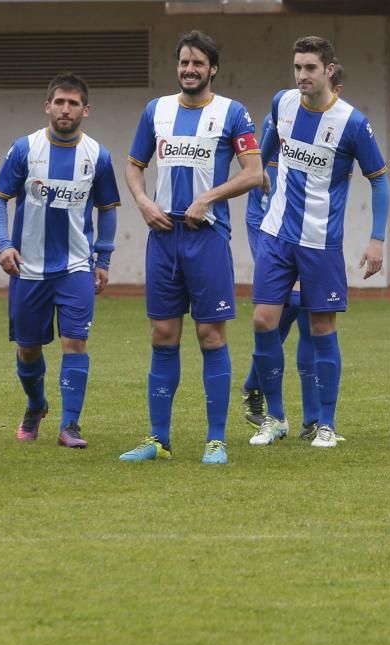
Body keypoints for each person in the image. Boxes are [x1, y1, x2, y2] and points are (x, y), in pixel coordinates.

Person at [120, 30, 263, 465]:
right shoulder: (156, 111)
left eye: (198, 63)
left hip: (207, 238)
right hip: (163, 238)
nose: (189, 69)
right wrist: (144, 202)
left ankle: (215, 440)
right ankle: (158, 439)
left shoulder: (233, 114)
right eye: (183, 62)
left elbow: (254, 173)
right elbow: (133, 166)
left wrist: (208, 198)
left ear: (212, 69)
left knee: (209, 334)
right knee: (162, 335)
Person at [249, 37, 390, 449]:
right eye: (297, 67)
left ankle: (326, 424)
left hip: (320, 241)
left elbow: (379, 180)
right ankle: (274, 418)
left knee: (322, 326)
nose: (301, 76)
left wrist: (377, 239)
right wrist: (259, 178)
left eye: (310, 68)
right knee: (263, 321)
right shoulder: (282, 104)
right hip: (276, 235)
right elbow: (265, 154)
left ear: (329, 70)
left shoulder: (352, 122)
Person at [0, 73, 121, 449]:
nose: (66, 109)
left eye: (73, 103)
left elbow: (108, 209)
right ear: (47, 105)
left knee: (75, 342)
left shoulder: (98, 156)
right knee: (28, 348)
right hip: (28, 268)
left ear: (86, 110)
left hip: (76, 266)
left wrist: (104, 258)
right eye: (59, 102)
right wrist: (2, 244)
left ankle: (70, 426)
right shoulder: (24, 149)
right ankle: (36, 405)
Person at [240, 63, 347, 442]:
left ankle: (313, 420)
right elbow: (255, 164)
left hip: (308, 233)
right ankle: (260, 390)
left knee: (304, 315)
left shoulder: (335, 128)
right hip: (269, 224)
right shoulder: (281, 118)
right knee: (282, 310)